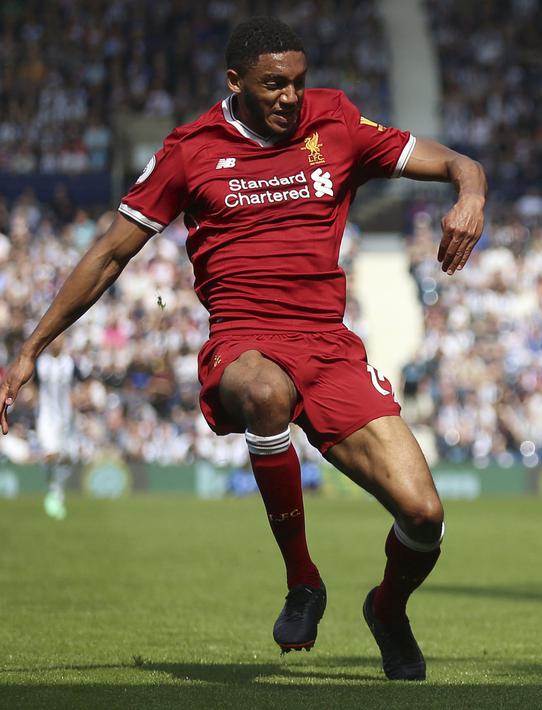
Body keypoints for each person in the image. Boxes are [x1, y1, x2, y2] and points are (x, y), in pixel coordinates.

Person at [0, 17, 486, 681]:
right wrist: (30, 348)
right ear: (236, 82)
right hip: (243, 338)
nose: (289, 96)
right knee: (263, 393)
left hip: (329, 347)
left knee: (424, 516)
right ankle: (303, 581)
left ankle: (388, 609)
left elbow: (457, 161)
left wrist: (471, 192)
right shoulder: (190, 150)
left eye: (297, 82)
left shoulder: (335, 121)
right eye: (273, 85)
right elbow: (111, 251)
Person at [36, 337, 76, 520]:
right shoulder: (41, 363)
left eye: (60, 340)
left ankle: (57, 491)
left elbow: (78, 385)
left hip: (66, 419)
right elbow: (34, 385)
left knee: (66, 458)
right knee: (51, 454)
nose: (56, 343)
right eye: (54, 340)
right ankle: (52, 491)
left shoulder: (69, 363)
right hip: (46, 417)